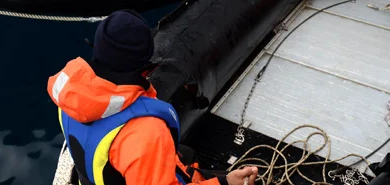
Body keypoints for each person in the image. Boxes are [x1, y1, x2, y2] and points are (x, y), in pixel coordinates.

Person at [48, 10, 259, 185]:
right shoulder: (147, 132)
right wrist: (225, 182)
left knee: (185, 153)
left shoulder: (69, 95)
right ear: (145, 66)